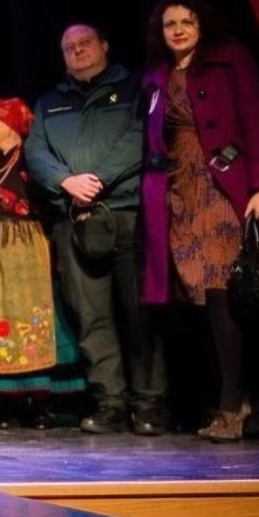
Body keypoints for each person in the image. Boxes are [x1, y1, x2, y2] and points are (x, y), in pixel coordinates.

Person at [142, 0, 259, 442]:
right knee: (195, 301)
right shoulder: (157, 76)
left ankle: (232, 406)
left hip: (222, 188)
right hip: (177, 194)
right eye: (170, 24)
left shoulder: (230, 59)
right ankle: (229, 395)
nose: (179, 30)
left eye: (188, 21)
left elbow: (257, 122)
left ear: (203, 24)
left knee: (221, 293)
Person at [27, 24, 166, 435]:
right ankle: (110, 403)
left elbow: (141, 137)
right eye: (69, 47)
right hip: (74, 219)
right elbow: (35, 151)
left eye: (85, 43)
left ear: (104, 45)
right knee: (91, 317)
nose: (78, 51)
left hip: (126, 212)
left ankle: (149, 402)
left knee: (140, 312)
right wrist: (66, 182)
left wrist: (98, 179)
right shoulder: (50, 101)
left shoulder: (136, 87)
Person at [0, 100, 86, 428]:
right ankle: (4, 404)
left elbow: (52, 205)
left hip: (26, 251)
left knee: (31, 322)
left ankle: (39, 403)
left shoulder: (32, 161)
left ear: (13, 125)